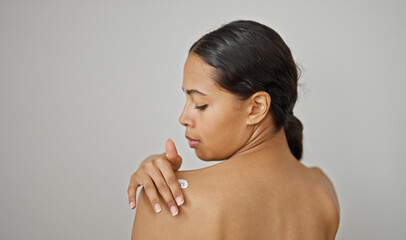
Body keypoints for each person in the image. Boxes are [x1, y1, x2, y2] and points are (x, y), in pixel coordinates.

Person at [128, 20, 340, 239]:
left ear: (256, 108)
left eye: (200, 104)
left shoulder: (171, 200)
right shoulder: (322, 189)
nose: (183, 118)